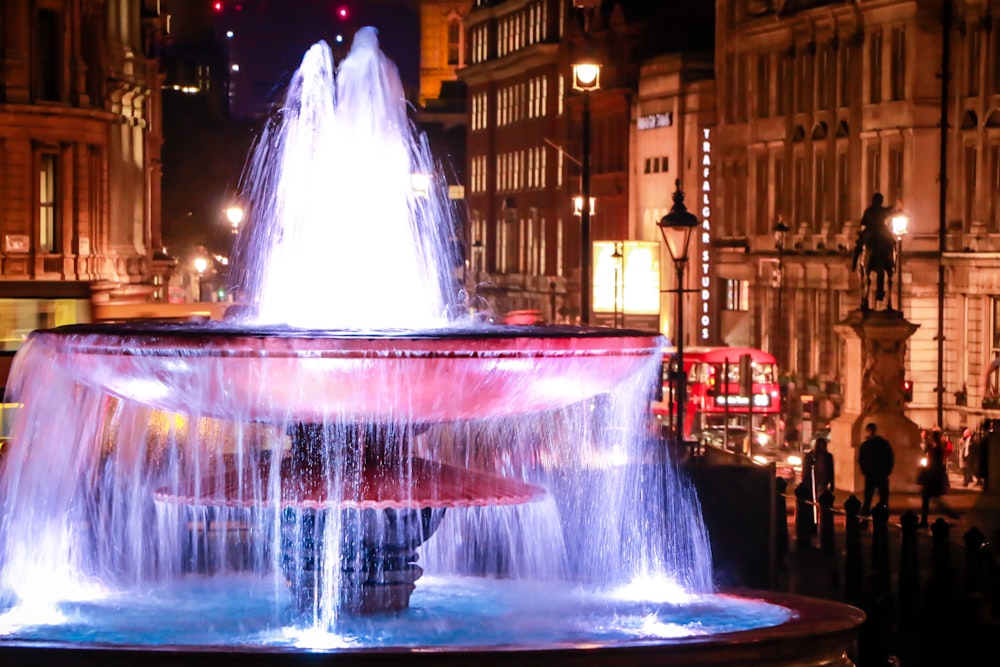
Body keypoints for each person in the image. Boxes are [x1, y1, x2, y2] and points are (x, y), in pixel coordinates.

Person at [918, 429, 959, 527]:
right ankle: (952, 515)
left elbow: (934, 465)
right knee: (932, 500)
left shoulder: (937, 450)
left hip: (932, 479)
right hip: (933, 478)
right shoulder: (936, 448)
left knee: (930, 500)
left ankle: (952, 515)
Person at [858, 422, 894, 517]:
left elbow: (861, 460)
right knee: (882, 499)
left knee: (869, 499)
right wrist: (887, 471)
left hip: (872, 474)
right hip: (879, 474)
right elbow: (890, 458)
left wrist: (865, 471)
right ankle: (883, 517)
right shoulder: (883, 444)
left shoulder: (866, 445)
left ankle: (866, 519)